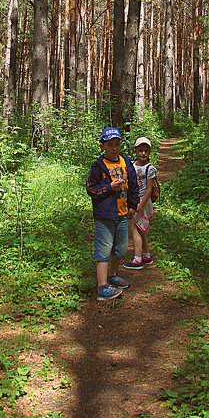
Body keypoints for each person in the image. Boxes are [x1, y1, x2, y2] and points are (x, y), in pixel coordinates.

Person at [86, 127, 140, 301]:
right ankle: (102, 287)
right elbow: (91, 189)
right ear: (103, 146)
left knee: (120, 249)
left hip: (123, 213)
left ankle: (113, 275)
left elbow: (134, 185)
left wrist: (133, 205)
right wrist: (109, 187)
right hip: (105, 215)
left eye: (117, 144)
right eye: (110, 145)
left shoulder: (126, 162)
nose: (114, 148)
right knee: (103, 250)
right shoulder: (98, 166)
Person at [123, 137, 156, 270]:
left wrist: (141, 204)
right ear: (135, 151)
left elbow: (149, 188)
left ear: (149, 152)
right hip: (134, 199)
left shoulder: (150, 169)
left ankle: (137, 258)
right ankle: (146, 255)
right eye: (140, 150)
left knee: (135, 228)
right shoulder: (131, 166)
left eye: (146, 151)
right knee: (141, 228)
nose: (143, 153)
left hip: (142, 201)